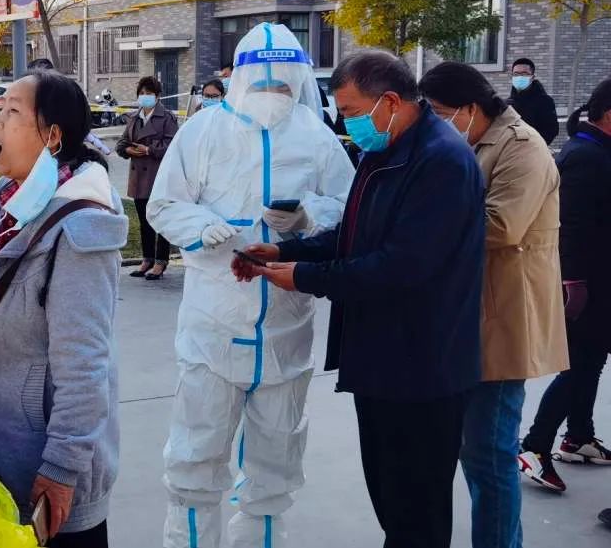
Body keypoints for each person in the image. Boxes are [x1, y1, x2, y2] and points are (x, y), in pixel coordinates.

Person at [236, 51, 485, 548]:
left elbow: (403, 266)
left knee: (417, 509)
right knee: (392, 500)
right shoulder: (383, 151)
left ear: (389, 101)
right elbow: (354, 235)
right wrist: (285, 250)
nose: (345, 124)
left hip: (422, 364)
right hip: (381, 359)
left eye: (350, 112)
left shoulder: (441, 161)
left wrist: (304, 276)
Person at [149, 23, 354, 548]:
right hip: (213, 328)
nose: (271, 94)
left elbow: (348, 208)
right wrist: (201, 227)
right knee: (195, 461)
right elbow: (163, 204)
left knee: (274, 467)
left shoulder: (315, 135)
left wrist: (307, 215)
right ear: (238, 79)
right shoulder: (204, 131)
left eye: (281, 84)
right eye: (260, 83)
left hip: (286, 331)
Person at [0, 71, 126, 547]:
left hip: (46, 471)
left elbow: (85, 365)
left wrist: (61, 467)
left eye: (13, 112)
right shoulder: (4, 203)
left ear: (52, 135)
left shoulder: (83, 226)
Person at [420, 62, 568, 548]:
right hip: (467, 309)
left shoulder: (521, 147)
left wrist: (417, 223)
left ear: (470, 108)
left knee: (489, 450)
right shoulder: (468, 140)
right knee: (472, 448)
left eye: (441, 113)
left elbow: (501, 225)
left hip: (505, 314)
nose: (437, 122)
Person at [519, 77, 611, 491]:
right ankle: (534, 447)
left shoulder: (597, 151)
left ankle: (578, 437)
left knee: (591, 361)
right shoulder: (584, 157)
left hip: (598, 280)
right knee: (579, 364)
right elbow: (567, 226)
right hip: (584, 284)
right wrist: (574, 283)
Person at [117, 76, 178, 280]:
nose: (145, 97)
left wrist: (149, 149)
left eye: (149, 93)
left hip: (158, 176)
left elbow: (172, 146)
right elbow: (121, 143)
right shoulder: (134, 117)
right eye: (142, 94)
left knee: (160, 220)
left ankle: (161, 261)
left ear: (158, 96)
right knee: (144, 221)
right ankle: (147, 259)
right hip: (138, 178)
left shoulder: (167, 118)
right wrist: (128, 149)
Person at [508, 58, 559, 145]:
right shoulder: (508, 103)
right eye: (516, 74)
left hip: (534, 150)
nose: (520, 77)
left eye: (524, 74)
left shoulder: (545, 101)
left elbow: (551, 130)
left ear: (532, 77)